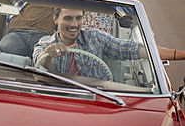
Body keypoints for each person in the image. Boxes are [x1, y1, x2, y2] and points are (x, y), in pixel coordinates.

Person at [33, 8, 185, 80]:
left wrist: (181, 54)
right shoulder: (45, 45)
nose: (74, 24)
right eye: (68, 18)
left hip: (99, 101)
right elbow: (39, 62)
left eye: (78, 18)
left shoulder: (96, 37)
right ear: (55, 19)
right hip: (59, 101)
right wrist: (49, 55)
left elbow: (136, 49)